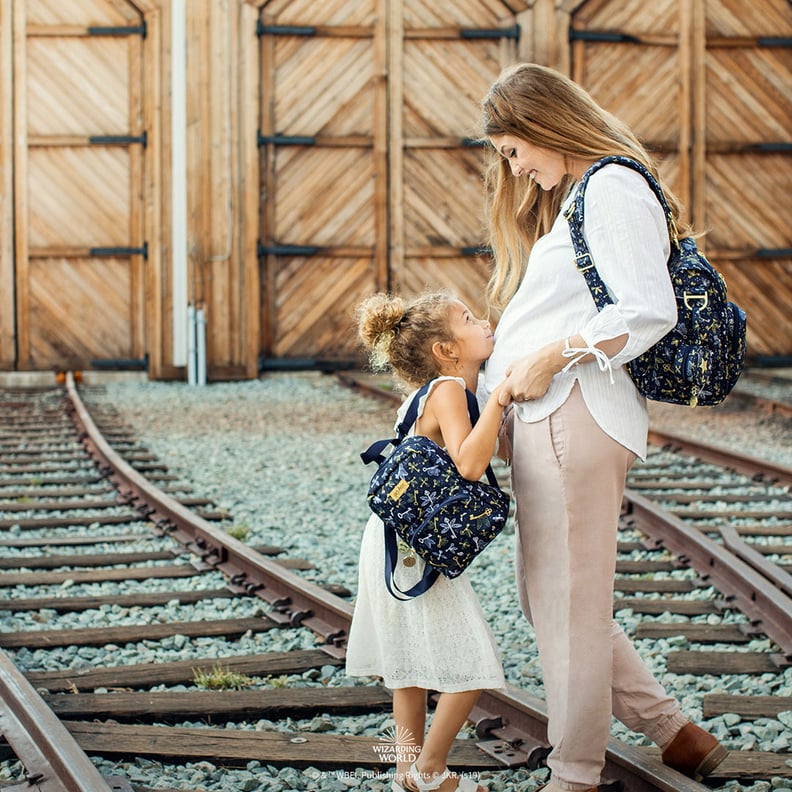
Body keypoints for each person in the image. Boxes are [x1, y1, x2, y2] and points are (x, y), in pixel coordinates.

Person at [478, 63, 729, 792]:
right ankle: (675, 734)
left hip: (572, 413)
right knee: (550, 597)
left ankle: (575, 773)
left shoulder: (612, 185)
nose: (518, 169)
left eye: (514, 150)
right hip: (552, 415)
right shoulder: (584, 194)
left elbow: (648, 309)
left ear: (545, 123)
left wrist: (551, 356)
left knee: (570, 607)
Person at [346, 291, 507, 792]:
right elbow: (470, 464)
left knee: (409, 671)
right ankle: (431, 772)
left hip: (390, 541)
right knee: (474, 664)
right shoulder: (449, 391)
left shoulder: (419, 398)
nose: (483, 321)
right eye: (468, 318)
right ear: (446, 350)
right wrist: (500, 399)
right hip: (415, 551)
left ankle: (404, 778)